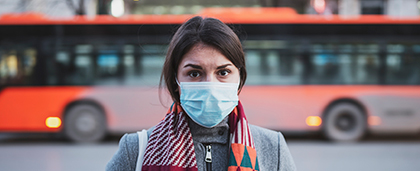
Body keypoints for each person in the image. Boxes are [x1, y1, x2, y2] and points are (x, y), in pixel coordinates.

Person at [106, 16, 296, 171]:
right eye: (194, 73)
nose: (210, 86)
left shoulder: (273, 147)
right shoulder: (135, 150)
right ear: (176, 81)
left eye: (223, 72)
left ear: (240, 78)